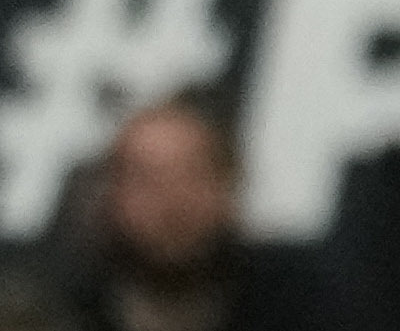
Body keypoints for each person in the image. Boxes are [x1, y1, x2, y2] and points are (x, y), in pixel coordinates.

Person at [39, 93, 331, 331]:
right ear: (111, 197)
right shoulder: (63, 312)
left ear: (229, 188)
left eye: (193, 176)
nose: (174, 203)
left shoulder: (298, 303)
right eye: (148, 181)